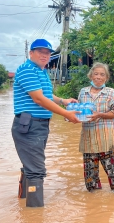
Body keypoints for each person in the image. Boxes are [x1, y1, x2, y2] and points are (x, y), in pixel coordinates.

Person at [11, 39, 80, 207]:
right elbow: (39, 99)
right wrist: (66, 114)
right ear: (31, 53)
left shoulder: (41, 71)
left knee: (31, 164)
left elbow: (46, 95)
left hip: (39, 124)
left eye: (47, 52)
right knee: (36, 171)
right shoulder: (27, 69)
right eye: (40, 51)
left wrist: (63, 100)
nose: (44, 55)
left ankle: (22, 202)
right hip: (30, 124)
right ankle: (34, 220)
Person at [78, 62, 114, 193]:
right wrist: (70, 116)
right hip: (89, 139)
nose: (98, 77)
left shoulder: (110, 93)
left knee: (113, 174)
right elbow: (79, 112)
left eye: (102, 74)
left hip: (106, 138)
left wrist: (100, 115)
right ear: (90, 76)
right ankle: (93, 204)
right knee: (90, 179)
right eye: (96, 74)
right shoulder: (83, 92)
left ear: (106, 78)